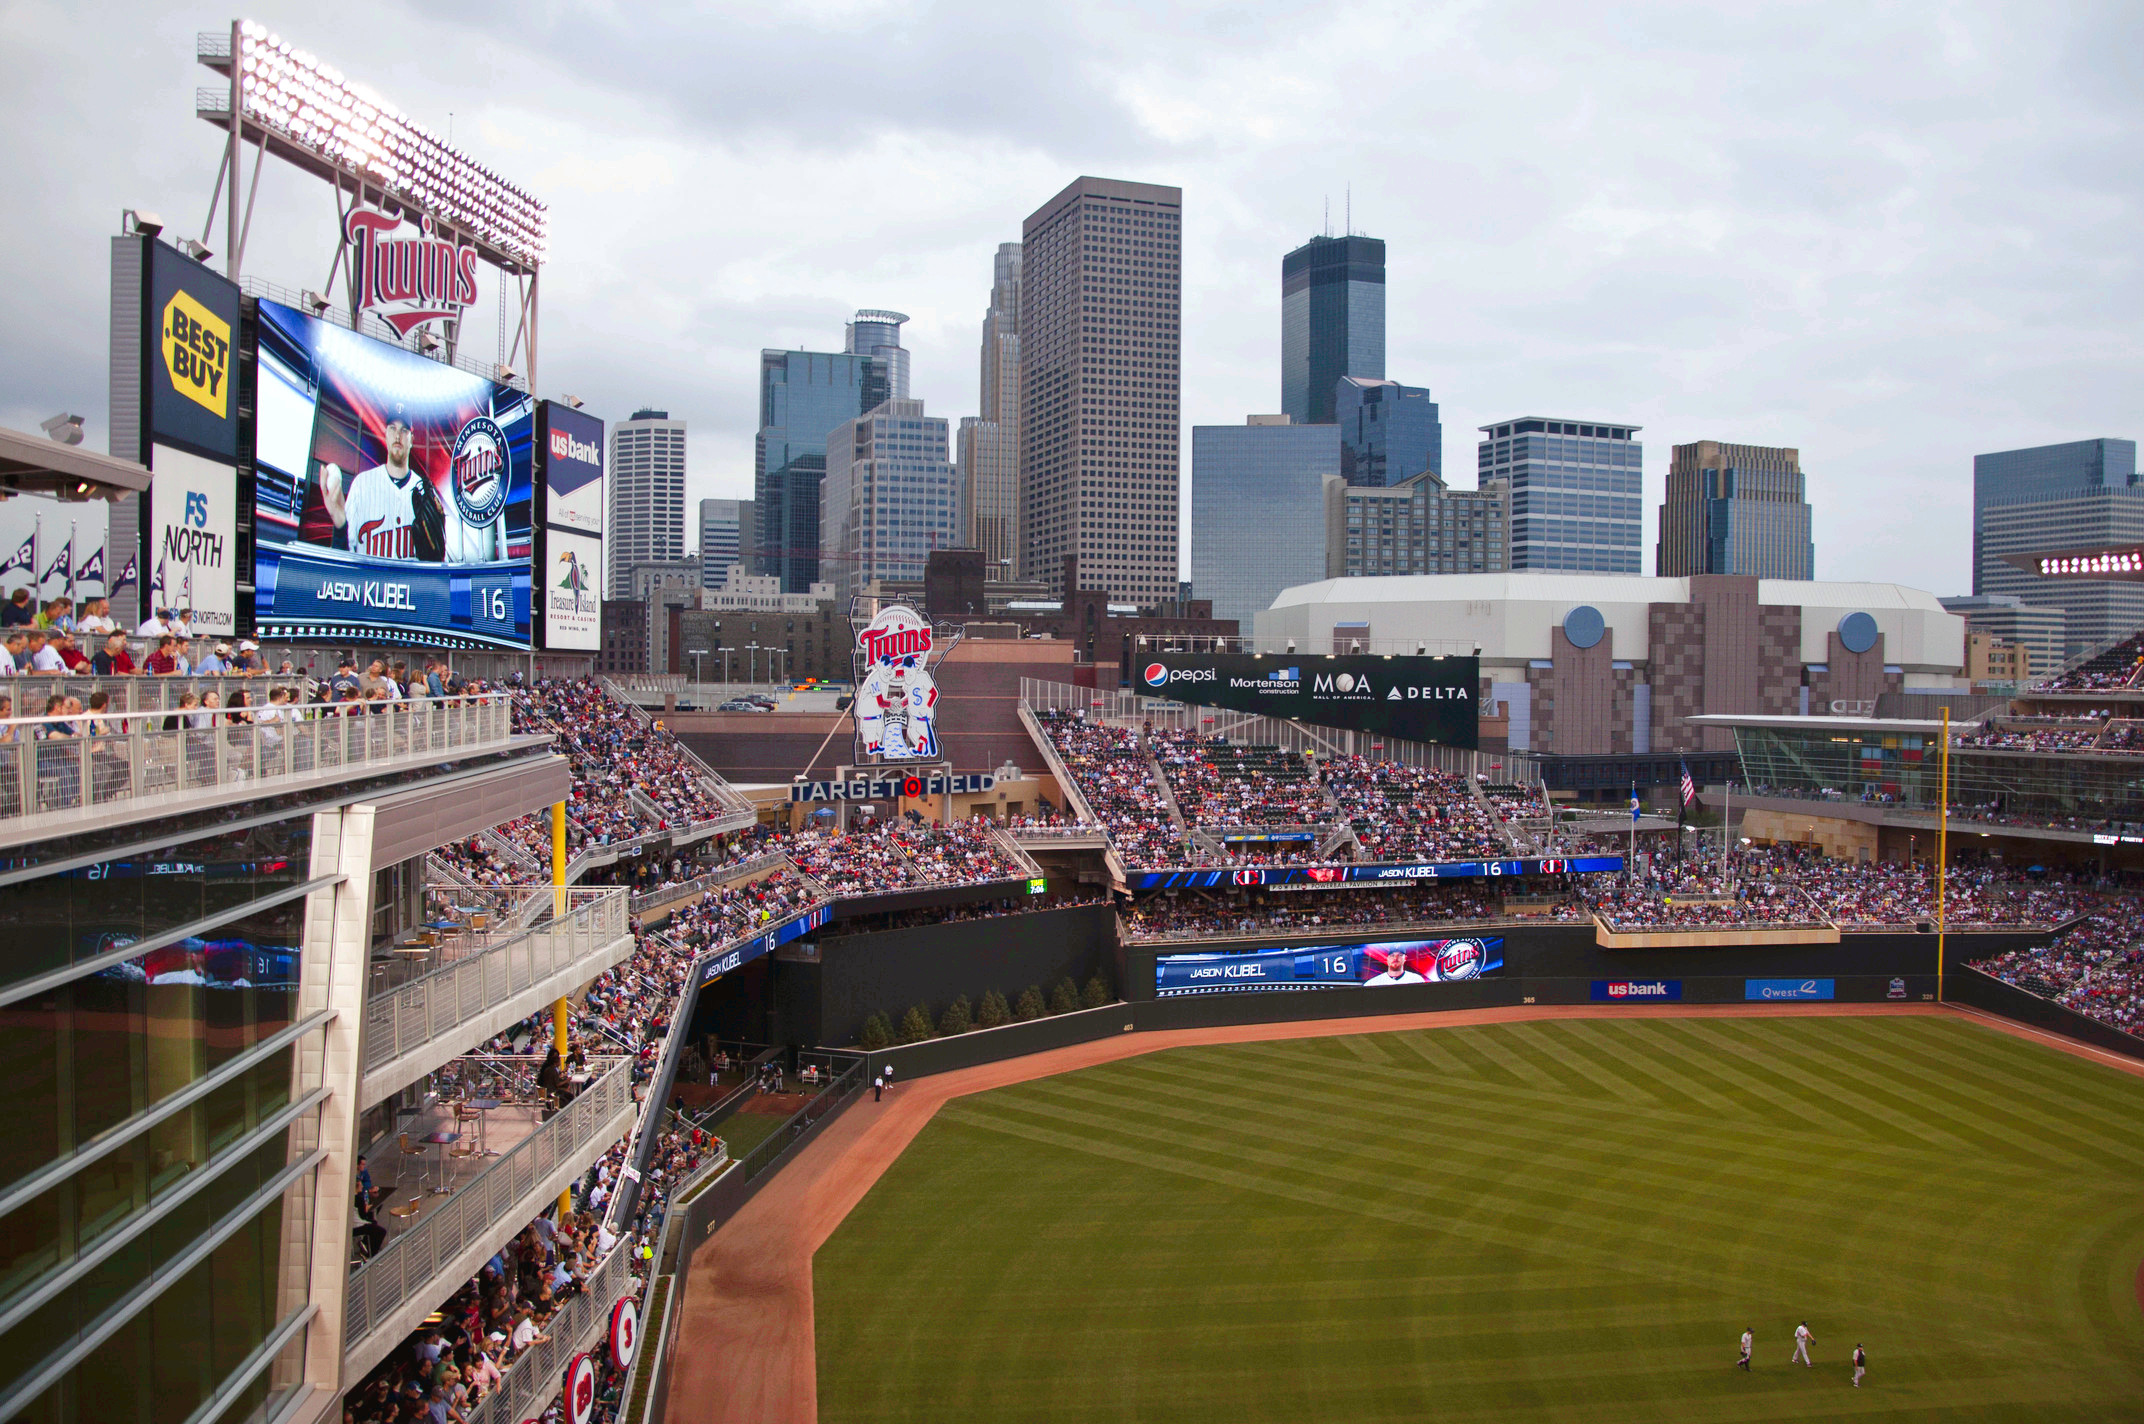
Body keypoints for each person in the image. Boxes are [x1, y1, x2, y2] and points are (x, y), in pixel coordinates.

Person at [318, 404, 446, 561]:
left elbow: (437, 565)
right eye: (392, 428)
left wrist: (436, 561)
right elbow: (343, 560)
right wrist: (340, 527)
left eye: (404, 430)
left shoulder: (425, 495)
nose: (397, 436)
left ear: (411, 439)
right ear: (385, 434)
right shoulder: (362, 484)